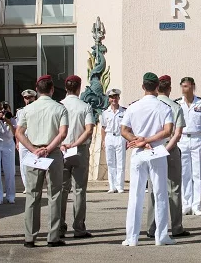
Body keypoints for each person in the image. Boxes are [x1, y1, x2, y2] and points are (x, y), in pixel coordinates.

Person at [120, 72, 174, 247]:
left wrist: (138, 140)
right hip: (157, 150)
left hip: (139, 152)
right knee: (160, 193)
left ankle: (132, 237)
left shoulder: (133, 107)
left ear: (143, 87)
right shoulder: (164, 108)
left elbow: (124, 130)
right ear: (157, 87)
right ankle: (161, 235)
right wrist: (147, 141)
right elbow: (167, 131)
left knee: (135, 195)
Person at [15, 75, 69, 248]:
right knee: (55, 194)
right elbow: (63, 133)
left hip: (35, 153)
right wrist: (49, 148)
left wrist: (33, 149)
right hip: (51, 152)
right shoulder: (60, 108)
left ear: (37, 90)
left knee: (32, 194)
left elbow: (19, 133)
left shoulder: (27, 109)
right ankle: (53, 236)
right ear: (52, 90)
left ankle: (29, 237)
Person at [147, 75, 188, 239]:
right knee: (174, 189)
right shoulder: (175, 107)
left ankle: (151, 227)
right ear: (169, 88)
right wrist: (166, 150)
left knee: (153, 189)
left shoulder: (152, 105)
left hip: (153, 148)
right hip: (169, 149)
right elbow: (177, 134)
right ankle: (176, 226)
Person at [59, 75, 95, 239]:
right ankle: (79, 227)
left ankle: (59, 226)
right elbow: (89, 129)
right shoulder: (85, 106)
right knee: (79, 190)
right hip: (79, 149)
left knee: (61, 190)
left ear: (66, 88)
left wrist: (63, 144)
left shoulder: (59, 105)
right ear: (79, 87)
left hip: (61, 149)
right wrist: (75, 144)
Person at [176, 77, 201, 216]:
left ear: (193, 87)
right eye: (182, 86)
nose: (184, 89)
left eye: (186, 86)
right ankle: (186, 204)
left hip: (198, 138)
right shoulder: (178, 103)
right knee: (185, 173)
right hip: (183, 139)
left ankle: (196, 205)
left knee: (198, 174)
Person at [0, 101, 17, 205]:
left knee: (10, 171)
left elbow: (16, 133)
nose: (5, 112)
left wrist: (9, 121)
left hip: (8, 143)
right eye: (2, 110)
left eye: (7, 110)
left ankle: (11, 196)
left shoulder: (12, 118)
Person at [100, 88, 126, 193]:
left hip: (120, 137)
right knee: (110, 162)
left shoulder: (124, 111)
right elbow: (103, 127)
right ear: (109, 99)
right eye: (111, 97)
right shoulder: (105, 113)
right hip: (109, 137)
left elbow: (127, 126)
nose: (114, 99)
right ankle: (112, 186)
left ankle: (120, 186)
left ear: (119, 98)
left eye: (115, 97)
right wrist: (103, 140)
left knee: (120, 162)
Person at [15, 89, 36, 194]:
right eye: (26, 98)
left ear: (34, 97)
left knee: (35, 163)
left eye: (30, 97)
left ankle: (34, 185)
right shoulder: (20, 111)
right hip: (23, 139)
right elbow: (18, 128)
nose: (28, 99)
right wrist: (17, 141)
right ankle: (27, 186)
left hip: (34, 139)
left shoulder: (37, 109)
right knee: (23, 164)